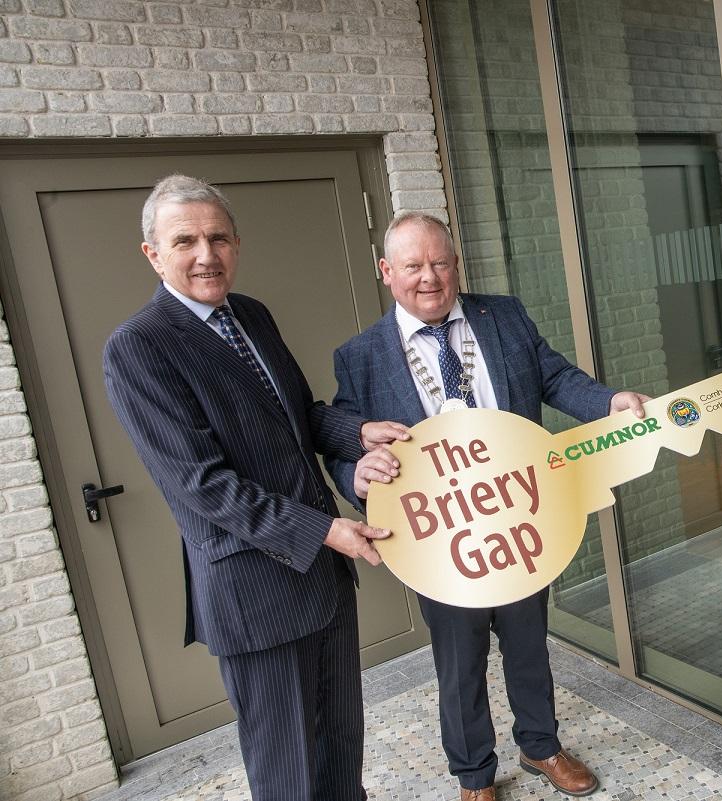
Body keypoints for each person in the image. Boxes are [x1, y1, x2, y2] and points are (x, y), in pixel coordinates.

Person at [103, 175, 409, 801]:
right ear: (152, 254)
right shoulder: (139, 348)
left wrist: (357, 431)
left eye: (218, 238)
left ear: (237, 244)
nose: (205, 254)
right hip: (257, 591)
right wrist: (325, 528)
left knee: (340, 748)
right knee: (289, 775)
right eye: (184, 240)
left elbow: (299, 414)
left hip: (324, 578)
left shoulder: (250, 315)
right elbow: (202, 485)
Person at [326, 211, 649, 801]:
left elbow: (555, 377)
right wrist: (359, 477)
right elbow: (345, 436)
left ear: (456, 264)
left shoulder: (502, 315)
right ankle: (474, 775)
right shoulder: (360, 355)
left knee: (528, 643)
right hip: (439, 539)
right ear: (386, 271)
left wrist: (609, 402)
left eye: (441, 262)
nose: (430, 277)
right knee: (459, 660)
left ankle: (541, 747)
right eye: (414, 266)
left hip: (519, 519)